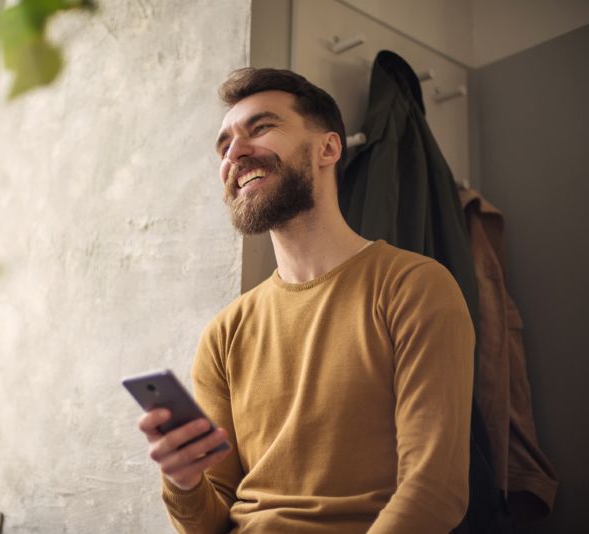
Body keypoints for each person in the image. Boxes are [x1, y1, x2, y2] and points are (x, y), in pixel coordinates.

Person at [136, 68, 475, 533]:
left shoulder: (413, 287)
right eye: (223, 145)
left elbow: (434, 490)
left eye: (261, 128)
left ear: (328, 149)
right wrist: (183, 482)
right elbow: (210, 521)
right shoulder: (224, 333)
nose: (235, 152)